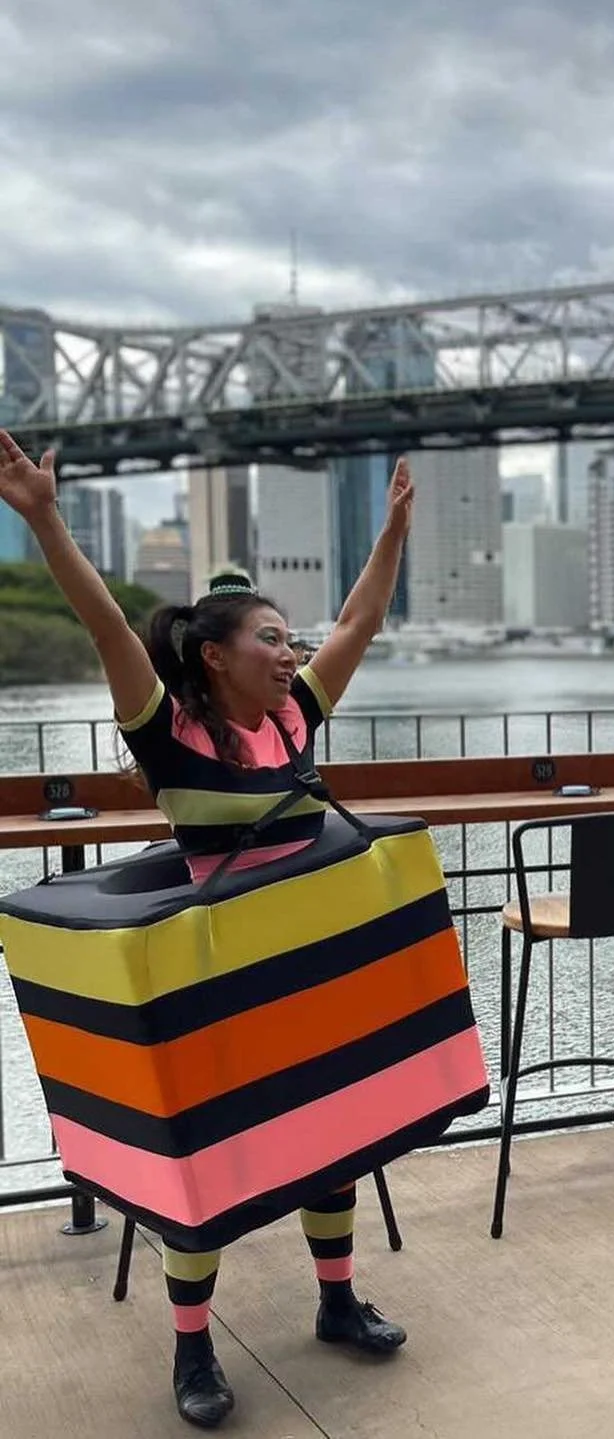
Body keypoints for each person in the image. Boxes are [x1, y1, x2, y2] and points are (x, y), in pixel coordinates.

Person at [0, 429, 415, 1427]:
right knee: (206, 1166)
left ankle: (335, 1301)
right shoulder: (171, 734)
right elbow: (106, 623)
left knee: (331, 1137)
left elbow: (359, 618)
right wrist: (45, 518)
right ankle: (193, 1350)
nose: (291, 652)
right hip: (213, 983)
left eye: (290, 638)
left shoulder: (295, 718)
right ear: (215, 653)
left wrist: (393, 530)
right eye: (271, 638)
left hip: (307, 974)